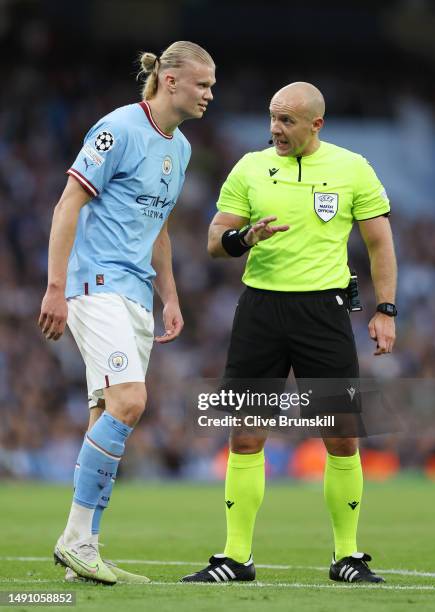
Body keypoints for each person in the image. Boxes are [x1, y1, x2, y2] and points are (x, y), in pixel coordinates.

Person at [181, 82, 397, 584]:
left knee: (342, 437)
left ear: (316, 124)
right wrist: (243, 238)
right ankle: (236, 558)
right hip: (260, 311)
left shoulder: (353, 168)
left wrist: (385, 309)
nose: (275, 129)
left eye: (287, 120)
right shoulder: (250, 168)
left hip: (324, 314)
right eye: (272, 118)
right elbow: (216, 241)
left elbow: (380, 243)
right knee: (244, 434)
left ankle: (348, 555)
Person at [38, 41, 215, 585]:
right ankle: (77, 543)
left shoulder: (179, 149)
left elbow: (158, 229)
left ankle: (81, 547)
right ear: (170, 81)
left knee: (106, 415)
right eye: (203, 84)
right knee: (131, 399)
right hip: (95, 285)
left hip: (136, 296)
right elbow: (69, 203)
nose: (210, 94)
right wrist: (53, 287)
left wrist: (170, 297)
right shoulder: (117, 129)